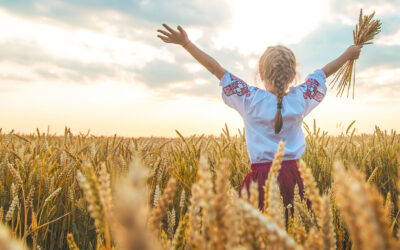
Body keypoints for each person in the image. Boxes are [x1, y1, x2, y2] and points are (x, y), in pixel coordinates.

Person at [156, 24, 361, 214]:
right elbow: (324, 73)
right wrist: (348, 54)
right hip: (294, 178)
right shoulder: (299, 99)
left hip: (260, 181)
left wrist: (186, 43)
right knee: (295, 229)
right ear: (292, 77)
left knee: (255, 235)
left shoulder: (249, 99)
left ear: (261, 74)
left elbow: (216, 70)